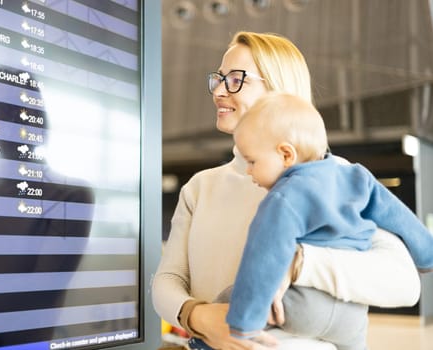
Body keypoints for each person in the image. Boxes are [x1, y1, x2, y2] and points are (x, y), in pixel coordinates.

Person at [152, 31, 421, 350]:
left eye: (236, 79)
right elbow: (167, 281)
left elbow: (404, 284)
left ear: (279, 89)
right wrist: (199, 317)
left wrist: (296, 263)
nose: (220, 91)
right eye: (219, 78)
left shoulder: (335, 177)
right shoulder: (200, 187)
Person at [223, 91, 433, 348]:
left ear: (286, 154)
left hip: (303, 307)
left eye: (252, 161)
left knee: (227, 298)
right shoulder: (355, 175)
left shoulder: (283, 198)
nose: (248, 170)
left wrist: (244, 324)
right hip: (353, 314)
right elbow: (399, 217)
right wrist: (426, 254)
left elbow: (263, 255)